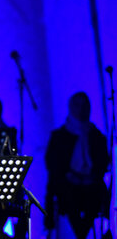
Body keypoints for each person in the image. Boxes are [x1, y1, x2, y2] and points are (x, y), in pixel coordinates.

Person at [45, 92, 109, 239]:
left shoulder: (97, 136)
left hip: (91, 184)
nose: (80, 109)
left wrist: (91, 177)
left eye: (84, 106)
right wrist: (70, 176)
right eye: (77, 105)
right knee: (68, 196)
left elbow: (102, 162)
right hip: (67, 185)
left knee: (95, 197)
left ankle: (81, 234)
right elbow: (53, 165)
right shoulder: (59, 136)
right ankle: (81, 234)